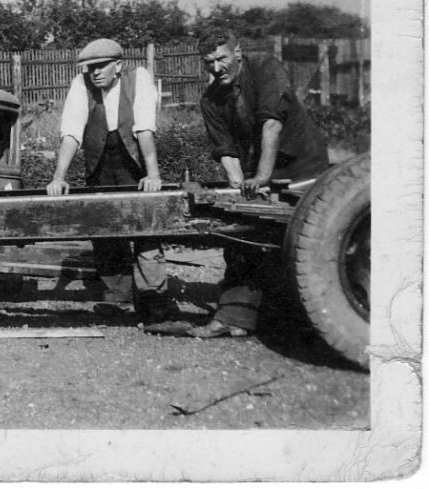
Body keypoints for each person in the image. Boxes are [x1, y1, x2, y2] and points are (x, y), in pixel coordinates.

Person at [185, 31, 329, 338]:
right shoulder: (210, 100)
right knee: (240, 232)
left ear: (237, 52)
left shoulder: (265, 67)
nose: (216, 68)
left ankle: (297, 321)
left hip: (301, 164)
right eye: (208, 62)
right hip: (257, 168)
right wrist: (240, 192)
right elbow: (226, 151)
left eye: (222, 58)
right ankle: (235, 317)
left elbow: (272, 123)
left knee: (297, 240)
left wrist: (263, 177)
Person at [46, 38, 173, 324]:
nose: (95, 72)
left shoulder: (138, 79)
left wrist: (152, 175)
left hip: (132, 160)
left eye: (101, 66)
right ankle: (117, 297)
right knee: (104, 229)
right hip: (100, 162)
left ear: (118, 65)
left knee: (145, 227)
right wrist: (58, 177)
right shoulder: (81, 85)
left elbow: (144, 130)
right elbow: (71, 133)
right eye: (90, 67)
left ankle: (154, 300)